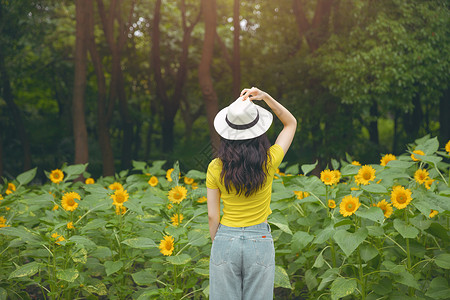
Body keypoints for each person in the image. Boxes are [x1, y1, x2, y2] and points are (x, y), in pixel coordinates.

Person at [206, 87, 297, 299]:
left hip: (225, 237)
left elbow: (212, 215)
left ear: (226, 133)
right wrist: (266, 97)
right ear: (258, 130)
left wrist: (220, 242)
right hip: (260, 239)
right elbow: (291, 123)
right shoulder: (269, 161)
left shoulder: (215, 167)